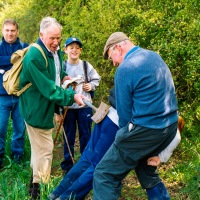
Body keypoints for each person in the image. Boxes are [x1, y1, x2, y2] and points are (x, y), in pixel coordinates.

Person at [93, 32, 178, 200]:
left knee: (104, 175)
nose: (114, 63)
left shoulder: (125, 69)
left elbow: (124, 117)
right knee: (145, 168)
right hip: (170, 125)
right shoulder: (153, 56)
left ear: (118, 47)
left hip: (147, 130)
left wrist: (121, 139)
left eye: (112, 58)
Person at [19, 17, 85, 200]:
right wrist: (72, 97)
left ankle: (33, 187)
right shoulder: (34, 56)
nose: (56, 42)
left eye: (58, 38)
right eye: (52, 38)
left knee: (39, 150)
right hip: (37, 110)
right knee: (46, 150)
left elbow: (56, 72)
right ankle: (40, 192)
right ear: (41, 35)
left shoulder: (54, 52)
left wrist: (65, 78)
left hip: (46, 108)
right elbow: (48, 88)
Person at [48, 88, 118, 200]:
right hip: (116, 122)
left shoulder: (128, 70)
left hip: (107, 114)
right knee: (98, 166)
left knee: (87, 159)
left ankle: (56, 194)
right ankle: (65, 197)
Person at [60, 37, 100, 173]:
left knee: (86, 135)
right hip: (68, 109)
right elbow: (57, 87)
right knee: (68, 137)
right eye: (71, 47)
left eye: (77, 48)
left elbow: (96, 79)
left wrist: (91, 85)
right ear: (65, 50)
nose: (74, 50)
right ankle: (68, 165)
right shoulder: (62, 67)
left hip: (85, 107)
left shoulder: (86, 65)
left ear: (80, 50)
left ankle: (86, 163)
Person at [0, 19, 29, 168]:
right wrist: (15, 61)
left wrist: (4, 63)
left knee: (19, 129)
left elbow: (30, 64)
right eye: (7, 30)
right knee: (0, 129)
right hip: (2, 97)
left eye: (13, 30)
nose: (10, 33)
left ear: (17, 31)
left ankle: (17, 159)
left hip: (20, 96)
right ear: (2, 31)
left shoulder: (25, 47)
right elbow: (20, 62)